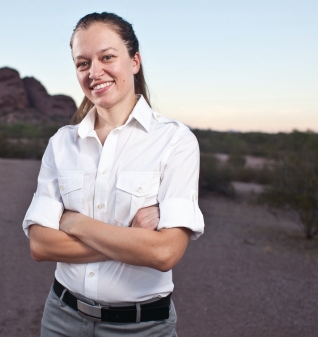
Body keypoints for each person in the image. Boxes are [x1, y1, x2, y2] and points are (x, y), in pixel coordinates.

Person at [22, 12, 205, 336]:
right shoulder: (62, 142)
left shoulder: (176, 142)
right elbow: (40, 245)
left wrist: (72, 222)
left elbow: (164, 253)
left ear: (134, 61)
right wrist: (132, 238)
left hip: (143, 327)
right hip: (61, 319)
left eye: (107, 57)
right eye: (82, 63)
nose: (94, 72)